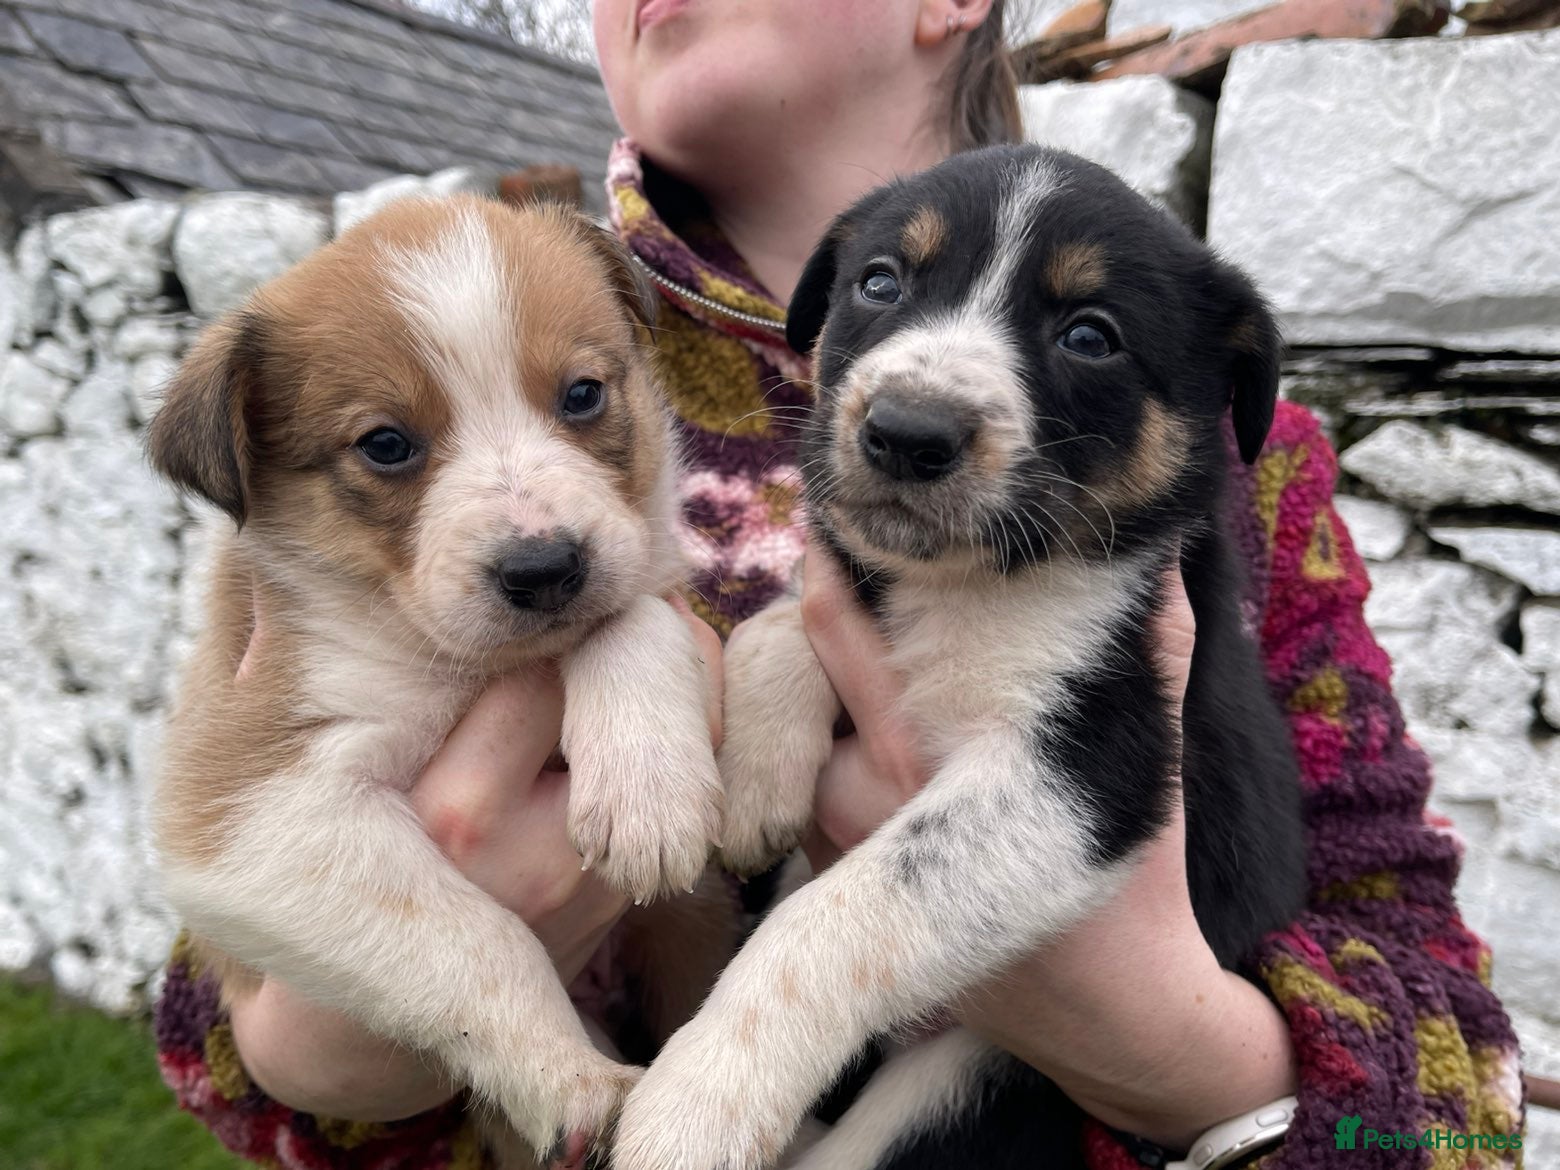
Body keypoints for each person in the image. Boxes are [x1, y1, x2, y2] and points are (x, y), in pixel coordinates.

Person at [154, 2, 1525, 1166]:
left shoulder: (1236, 454)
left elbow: (1457, 1064)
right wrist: (331, 1049)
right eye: (876, 287)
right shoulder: (490, 301)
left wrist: (1177, 1048)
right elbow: (230, 1023)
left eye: (585, 403)